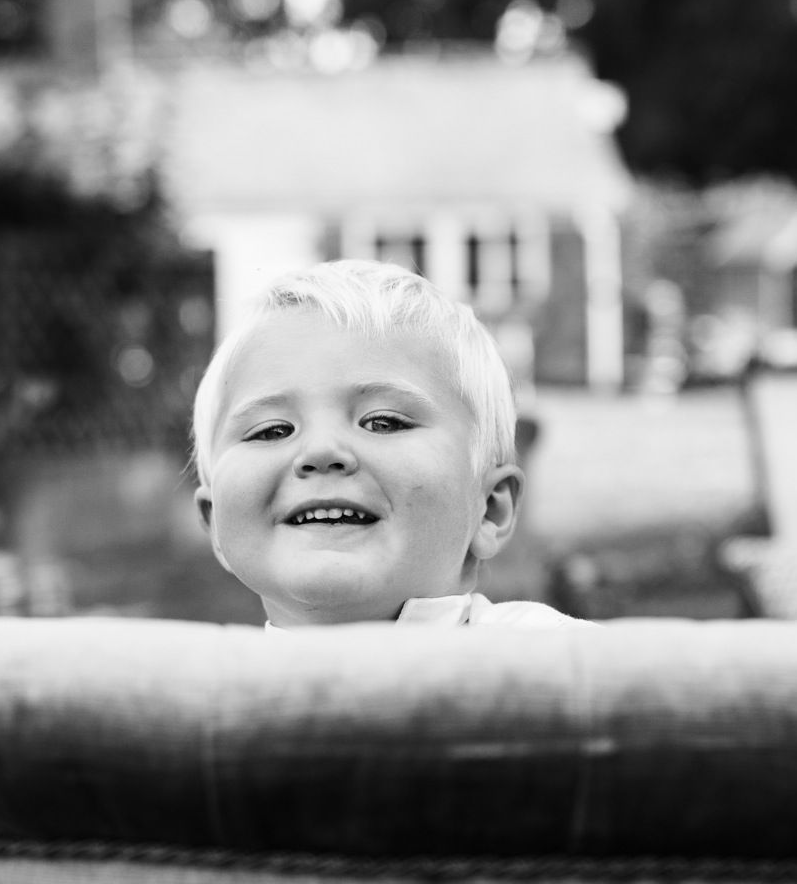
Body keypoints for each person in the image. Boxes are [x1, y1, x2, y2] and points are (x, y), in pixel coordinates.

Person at [190, 259, 591, 629]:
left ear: (490, 508)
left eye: (382, 423)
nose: (321, 450)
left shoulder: (557, 657)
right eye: (272, 431)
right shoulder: (193, 679)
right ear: (216, 522)